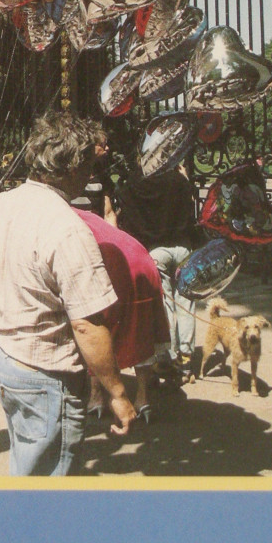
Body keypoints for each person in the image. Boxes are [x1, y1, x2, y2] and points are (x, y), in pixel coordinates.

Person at [0, 111, 136, 476]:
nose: (91, 174)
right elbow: (88, 325)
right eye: (88, 163)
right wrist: (117, 393)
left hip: (7, 362)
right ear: (71, 165)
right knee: (49, 483)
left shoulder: (4, 203)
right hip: (46, 376)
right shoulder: (68, 229)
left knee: (27, 463)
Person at [73, 208, 170, 422]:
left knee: (96, 326)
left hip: (116, 264)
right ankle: (143, 399)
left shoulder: (64, 221)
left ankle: (96, 397)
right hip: (141, 259)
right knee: (141, 330)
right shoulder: (88, 216)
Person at [111, 164, 203, 383]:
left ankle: (166, 357)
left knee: (165, 303)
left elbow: (126, 210)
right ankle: (186, 357)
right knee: (187, 301)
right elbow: (191, 213)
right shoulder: (179, 180)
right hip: (183, 246)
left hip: (155, 249)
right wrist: (185, 178)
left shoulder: (139, 184)